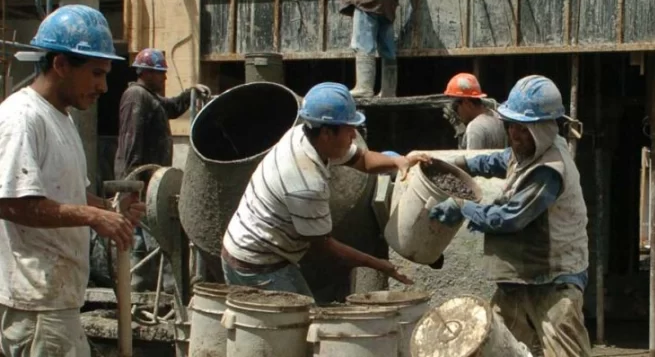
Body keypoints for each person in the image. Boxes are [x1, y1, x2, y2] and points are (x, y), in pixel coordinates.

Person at [0, 5, 145, 356]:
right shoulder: (22, 119)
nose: (103, 86)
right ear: (61, 65)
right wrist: (93, 217)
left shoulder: (60, 118)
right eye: (96, 73)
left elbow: (68, 194)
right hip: (36, 304)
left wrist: (109, 209)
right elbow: (12, 203)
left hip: (56, 300)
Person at [430, 75, 591, 357]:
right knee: (497, 348)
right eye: (511, 126)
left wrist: (463, 208)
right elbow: (500, 159)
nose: (514, 134)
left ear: (542, 129)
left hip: (554, 281)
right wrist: (462, 162)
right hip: (520, 280)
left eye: (523, 128)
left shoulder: (549, 169)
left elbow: (510, 217)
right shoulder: (528, 150)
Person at [222, 82, 430, 297]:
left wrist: (400, 161)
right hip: (255, 262)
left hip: (254, 246)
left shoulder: (303, 134)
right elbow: (325, 246)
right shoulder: (305, 182)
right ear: (327, 133)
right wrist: (379, 264)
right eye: (349, 128)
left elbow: (364, 160)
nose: (353, 134)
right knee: (296, 325)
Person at [114, 47, 210, 291]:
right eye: (160, 73)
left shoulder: (150, 97)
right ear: (145, 73)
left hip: (151, 181)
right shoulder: (136, 96)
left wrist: (191, 92)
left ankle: (148, 288)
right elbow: (131, 142)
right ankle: (143, 290)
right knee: (149, 236)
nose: (165, 77)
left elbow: (172, 108)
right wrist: (134, 184)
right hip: (142, 182)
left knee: (150, 235)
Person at [443, 73, 507, 149]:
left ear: (467, 103)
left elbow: (470, 160)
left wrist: (460, 131)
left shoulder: (474, 128)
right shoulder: (497, 117)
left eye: (455, 106)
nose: (455, 112)